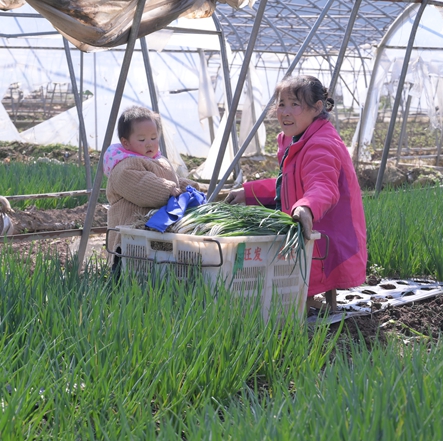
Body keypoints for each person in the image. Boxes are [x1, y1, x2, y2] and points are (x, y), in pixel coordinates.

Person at [226, 75, 367, 313]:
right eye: (281, 104)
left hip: (328, 233)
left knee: (297, 273)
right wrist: (247, 192)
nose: (285, 112)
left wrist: (307, 206)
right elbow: (289, 183)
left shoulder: (321, 144)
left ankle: (307, 301)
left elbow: (323, 186)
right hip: (310, 226)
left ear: (317, 108)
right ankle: (306, 300)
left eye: (295, 104)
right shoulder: (299, 139)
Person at [104, 106, 201, 265]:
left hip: (152, 237)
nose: (149, 144)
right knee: (126, 274)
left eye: (154, 138)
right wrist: (169, 190)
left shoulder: (158, 161)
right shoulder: (124, 167)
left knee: (154, 273)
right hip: (128, 241)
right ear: (126, 143)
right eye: (142, 140)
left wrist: (188, 187)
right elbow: (143, 185)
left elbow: (172, 179)